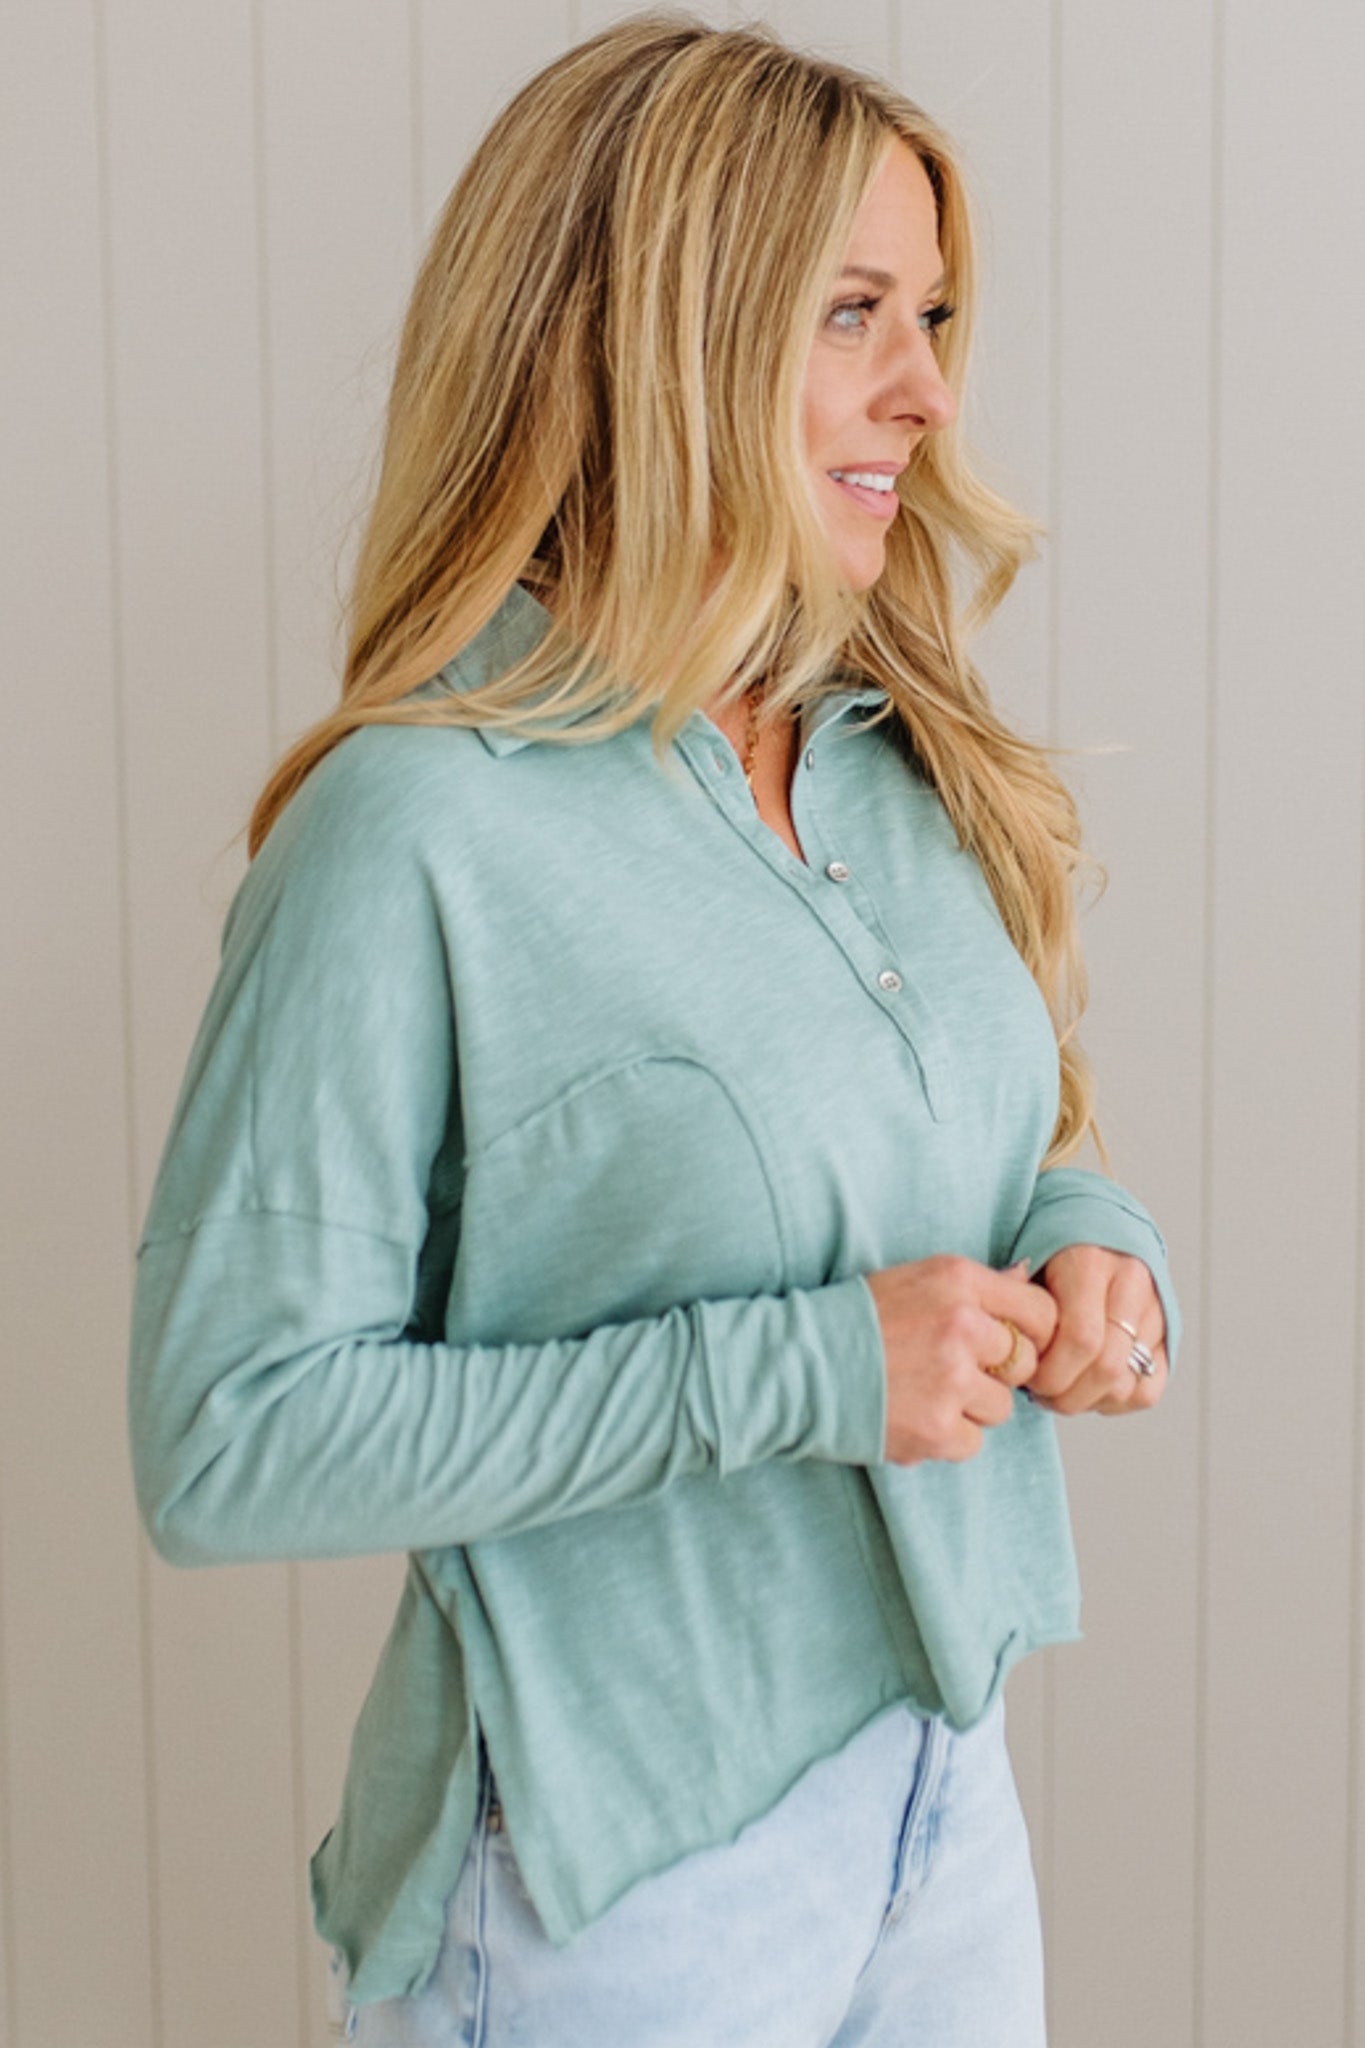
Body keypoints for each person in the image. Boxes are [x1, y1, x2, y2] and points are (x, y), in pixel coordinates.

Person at [128, 14, 1179, 2045]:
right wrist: (800, 1368)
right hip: (608, 1880)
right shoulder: (414, 829)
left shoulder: (891, 756)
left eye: (932, 310)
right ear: (656, 341)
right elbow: (224, 1440)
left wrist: (1093, 1245)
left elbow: (1006, 1135)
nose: (925, 388)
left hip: (938, 1805)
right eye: (852, 312)